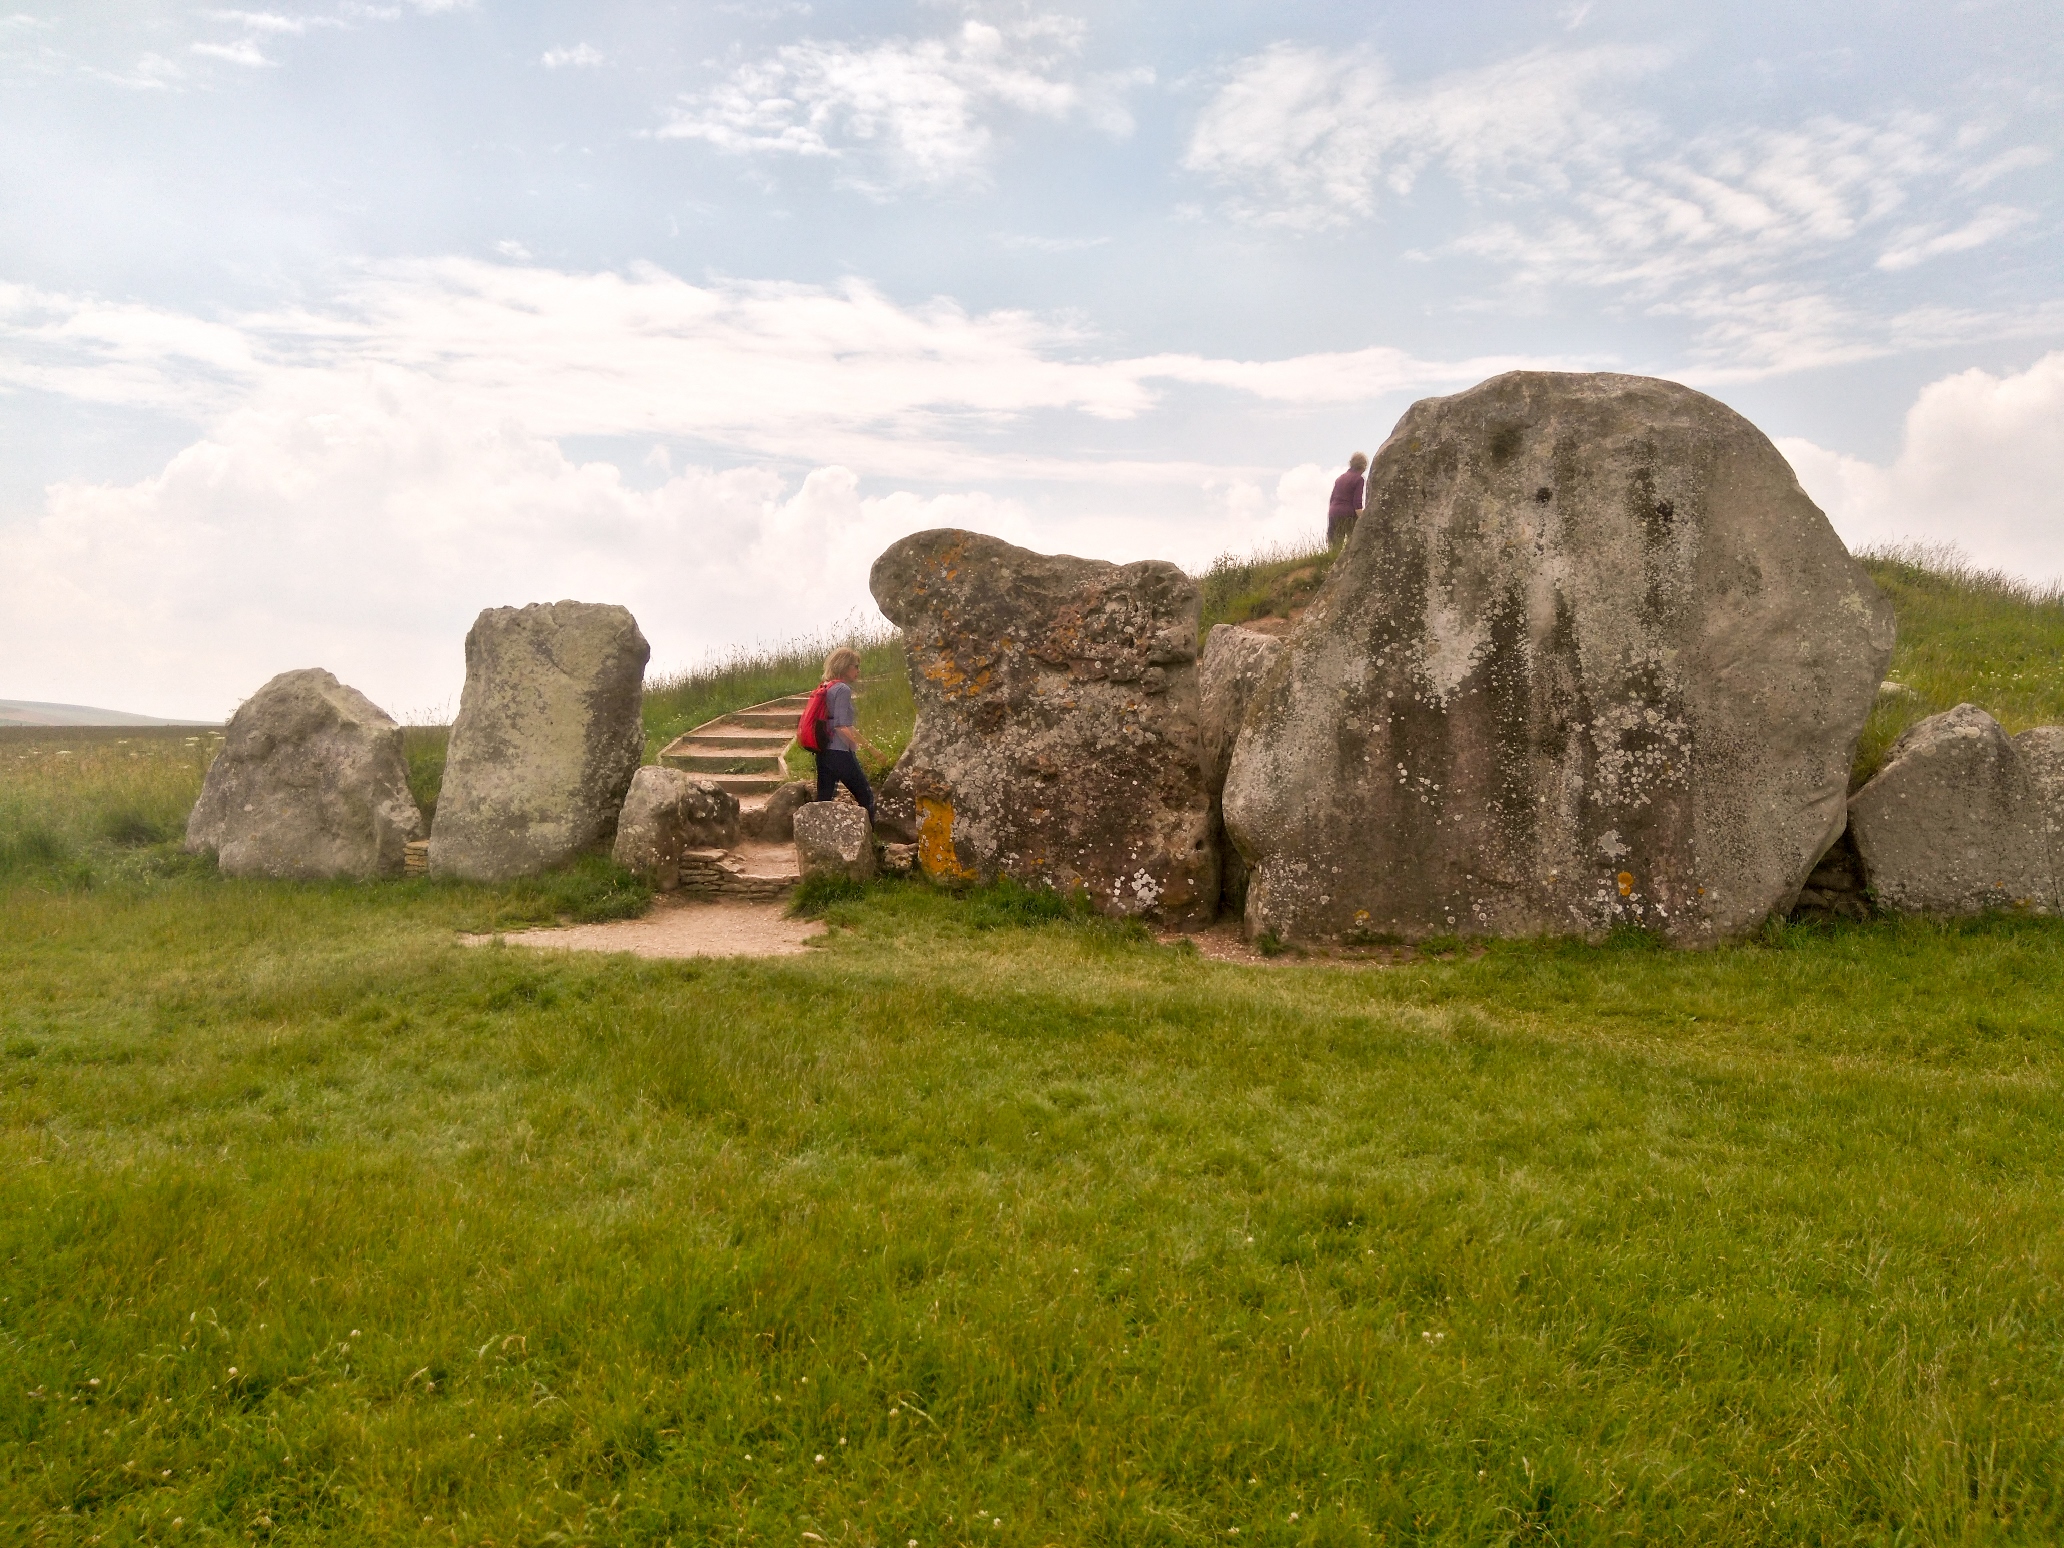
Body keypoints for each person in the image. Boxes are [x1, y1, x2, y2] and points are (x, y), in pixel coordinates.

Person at [812, 646, 877, 823]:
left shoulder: (827, 687)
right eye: (855, 666)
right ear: (844, 666)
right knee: (866, 797)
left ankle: (815, 839)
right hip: (840, 753)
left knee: (823, 800)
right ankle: (872, 842)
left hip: (823, 752)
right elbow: (842, 726)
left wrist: (871, 748)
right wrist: (853, 745)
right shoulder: (842, 689)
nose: (858, 670)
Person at [1327, 452, 1368, 548]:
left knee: (1335, 547)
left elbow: (1332, 499)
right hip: (1348, 514)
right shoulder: (1359, 479)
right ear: (1363, 466)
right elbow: (1357, 504)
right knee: (1354, 544)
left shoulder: (1339, 478)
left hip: (1333, 512)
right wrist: (1363, 520)